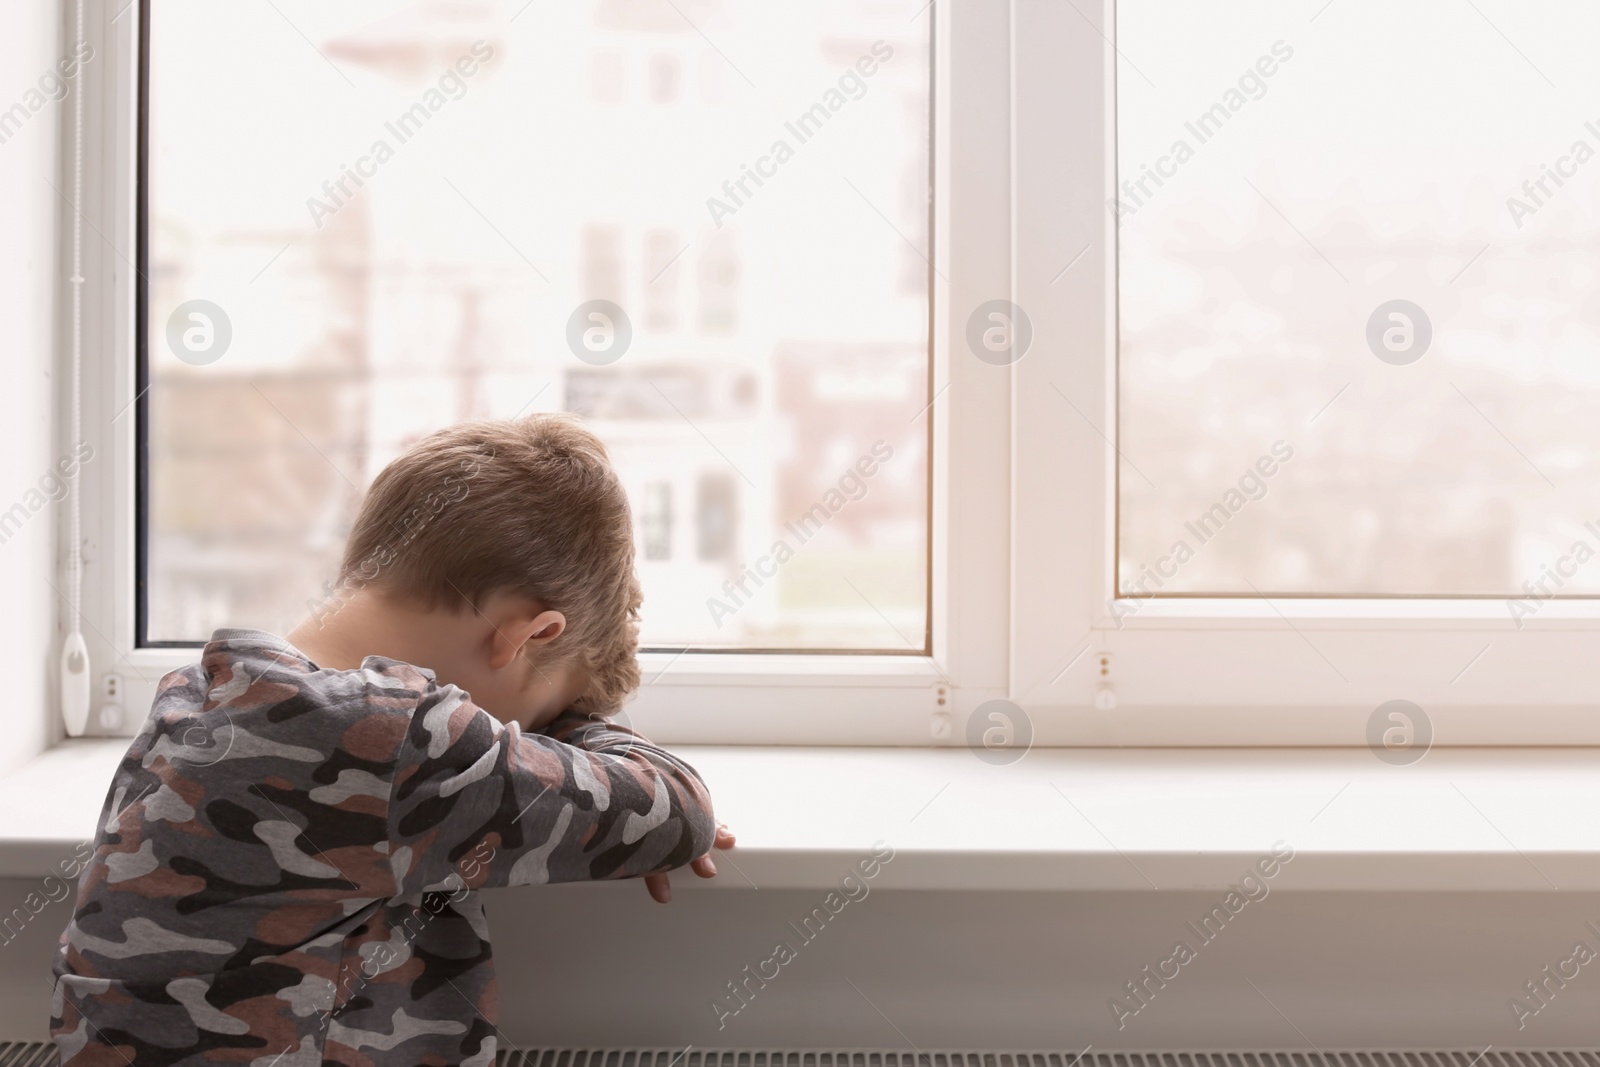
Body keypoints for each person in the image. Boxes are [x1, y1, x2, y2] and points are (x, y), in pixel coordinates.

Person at [50, 414, 732, 1066]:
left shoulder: (199, 691)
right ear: (528, 635)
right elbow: (676, 809)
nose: (515, 741)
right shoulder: (401, 735)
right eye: (537, 718)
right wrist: (586, 734)